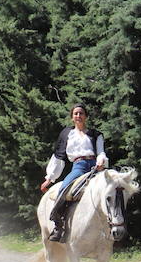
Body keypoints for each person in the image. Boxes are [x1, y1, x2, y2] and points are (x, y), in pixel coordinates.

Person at [39, 103, 108, 243]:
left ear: (86, 116)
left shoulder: (96, 134)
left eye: (81, 113)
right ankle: (58, 225)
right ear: (72, 117)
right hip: (79, 166)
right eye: (76, 113)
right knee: (64, 188)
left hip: (96, 166)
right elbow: (59, 156)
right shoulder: (67, 134)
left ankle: (112, 227)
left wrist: (101, 161)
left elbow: (101, 151)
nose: (78, 116)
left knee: (112, 190)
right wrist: (50, 178)